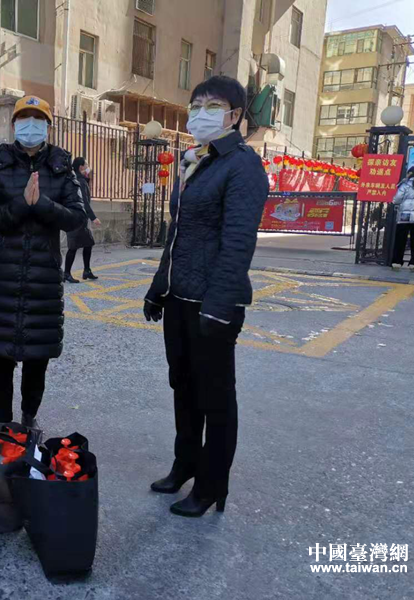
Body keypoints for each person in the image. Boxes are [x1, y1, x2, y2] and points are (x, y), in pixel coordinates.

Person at [143, 76, 269, 517]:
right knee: (183, 387)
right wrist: (159, 286)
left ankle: (212, 485)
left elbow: (238, 244)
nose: (200, 113)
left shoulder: (242, 166)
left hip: (214, 305)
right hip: (180, 297)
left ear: (235, 115)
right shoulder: (197, 161)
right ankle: (185, 465)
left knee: (215, 399)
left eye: (212, 105)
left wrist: (218, 307)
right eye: (195, 105)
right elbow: (178, 234)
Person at [0, 96, 87, 429]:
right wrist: (22, 205)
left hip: (43, 277)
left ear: (48, 126)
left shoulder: (60, 164)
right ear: (14, 124)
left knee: (38, 358)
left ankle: (28, 418)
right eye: (24, 118)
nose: (31, 125)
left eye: (38, 119)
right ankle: (2, 424)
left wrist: (42, 205)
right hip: (2, 276)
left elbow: (77, 217)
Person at [64, 158, 101, 283]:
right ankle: (67, 273)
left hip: (75, 217)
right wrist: (93, 217)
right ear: (81, 167)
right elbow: (84, 201)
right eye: (86, 165)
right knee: (73, 246)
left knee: (88, 243)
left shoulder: (75, 179)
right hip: (77, 218)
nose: (88, 167)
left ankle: (86, 270)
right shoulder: (79, 181)